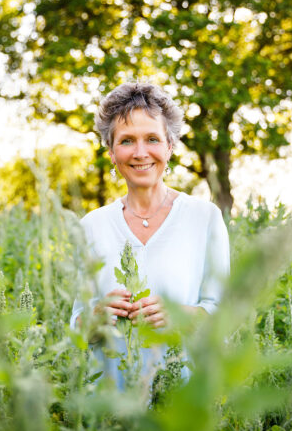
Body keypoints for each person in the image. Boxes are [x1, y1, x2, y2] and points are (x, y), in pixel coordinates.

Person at [70, 82, 230, 388]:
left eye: (152, 139)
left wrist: (183, 315)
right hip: (108, 408)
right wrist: (94, 318)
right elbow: (77, 323)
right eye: (127, 140)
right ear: (112, 152)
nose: (140, 153)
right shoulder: (91, 226)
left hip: (181, 405)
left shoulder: (205, 218)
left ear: (169, 146)